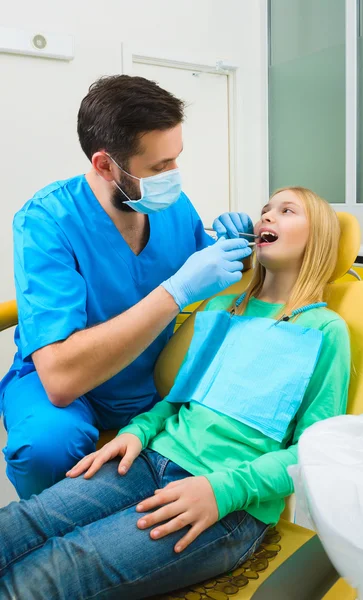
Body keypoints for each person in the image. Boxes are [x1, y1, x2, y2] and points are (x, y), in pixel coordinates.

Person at [0, 187, 351, 599]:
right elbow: (175, 402)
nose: (266, 217)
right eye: (265, 209)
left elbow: (314, 453)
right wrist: (136, 431)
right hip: (152, 460)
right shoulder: (222, 310)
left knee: (60, 568)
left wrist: (222, 492)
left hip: (226, 503)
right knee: (25, 522)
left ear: (319, 239)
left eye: (286, 211)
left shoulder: (325, 331)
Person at [0, 75, 254, 500]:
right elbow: (61, 377)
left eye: (176, 159)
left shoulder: (174, 207)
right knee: (46, 446)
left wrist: (240, 247)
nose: (174, 176)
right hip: (64, 385)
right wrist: (173, 292)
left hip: (148, 378)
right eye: (159, 167)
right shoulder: (47, 221)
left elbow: (211, 273)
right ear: (104, 164)